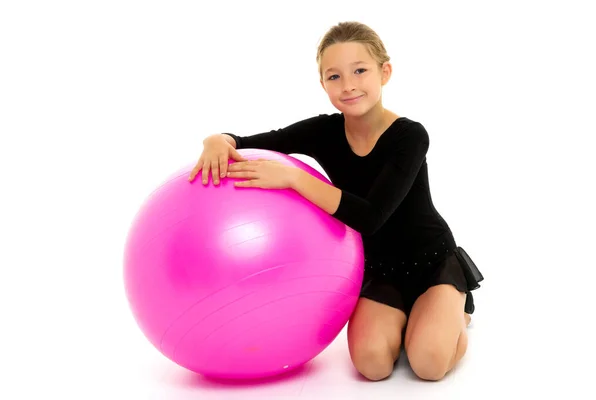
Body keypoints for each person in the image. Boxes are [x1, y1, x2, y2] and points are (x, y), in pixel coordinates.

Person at [188, 21, 484, 382]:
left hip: (431, 262)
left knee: (429, 364)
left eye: (360, 71)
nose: (348, 86)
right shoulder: (324, 131)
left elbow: (371, 216)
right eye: (334, 76)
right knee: (372, 365)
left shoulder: (410, 136)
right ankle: (413, 317)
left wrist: (296, 179)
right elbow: (252, 141)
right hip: (380, 269)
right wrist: (217, 139)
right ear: (323, 83)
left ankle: (456, 310)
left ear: (384, 72)